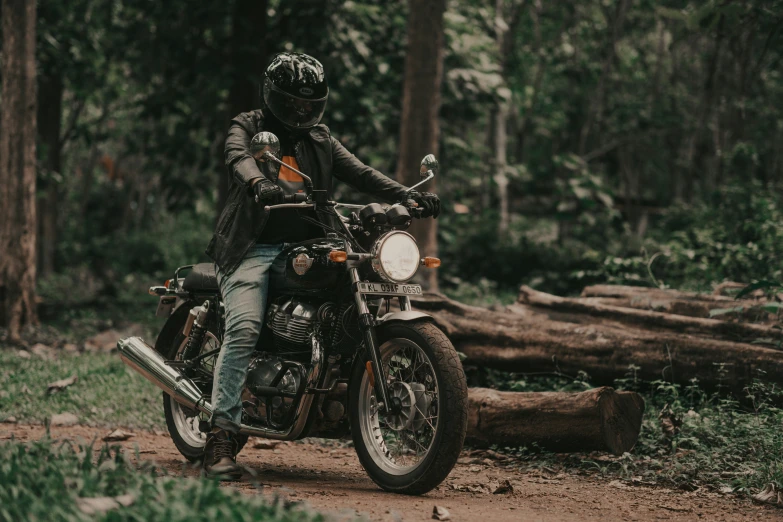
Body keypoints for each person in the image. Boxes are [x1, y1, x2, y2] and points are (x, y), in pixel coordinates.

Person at [202, 52, 441, 480]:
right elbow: (238, 157)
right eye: (294, 103)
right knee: (242, 328)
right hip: (252, 247)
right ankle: (221, 436)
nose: (302, 111)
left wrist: (409, 193)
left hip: (312, 241)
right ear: (274, 97)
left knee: (357, 288)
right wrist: (258, 182)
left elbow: (362, 173)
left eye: (310, 104)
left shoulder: (319, 138)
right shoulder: (249, 126)